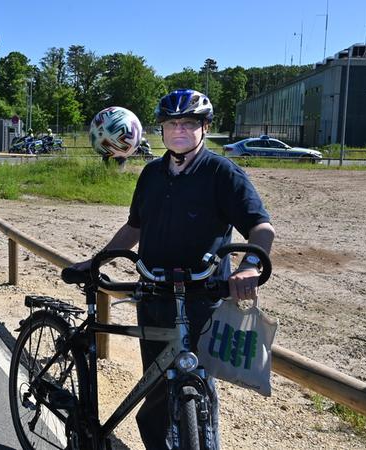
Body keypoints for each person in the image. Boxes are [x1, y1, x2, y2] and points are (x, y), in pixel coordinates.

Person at [73, 89, 275, 449]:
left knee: (197, 391)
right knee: (155, 394)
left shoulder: (221, 172)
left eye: (189, 123)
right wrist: (98, 259)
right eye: (171, 123)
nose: (179, 130)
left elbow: (260, 226)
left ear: (204, 127)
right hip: (153, 295)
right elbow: (135, 227)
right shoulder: (151, 174)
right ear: (161, 129)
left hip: (201, 301)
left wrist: (250, 265)